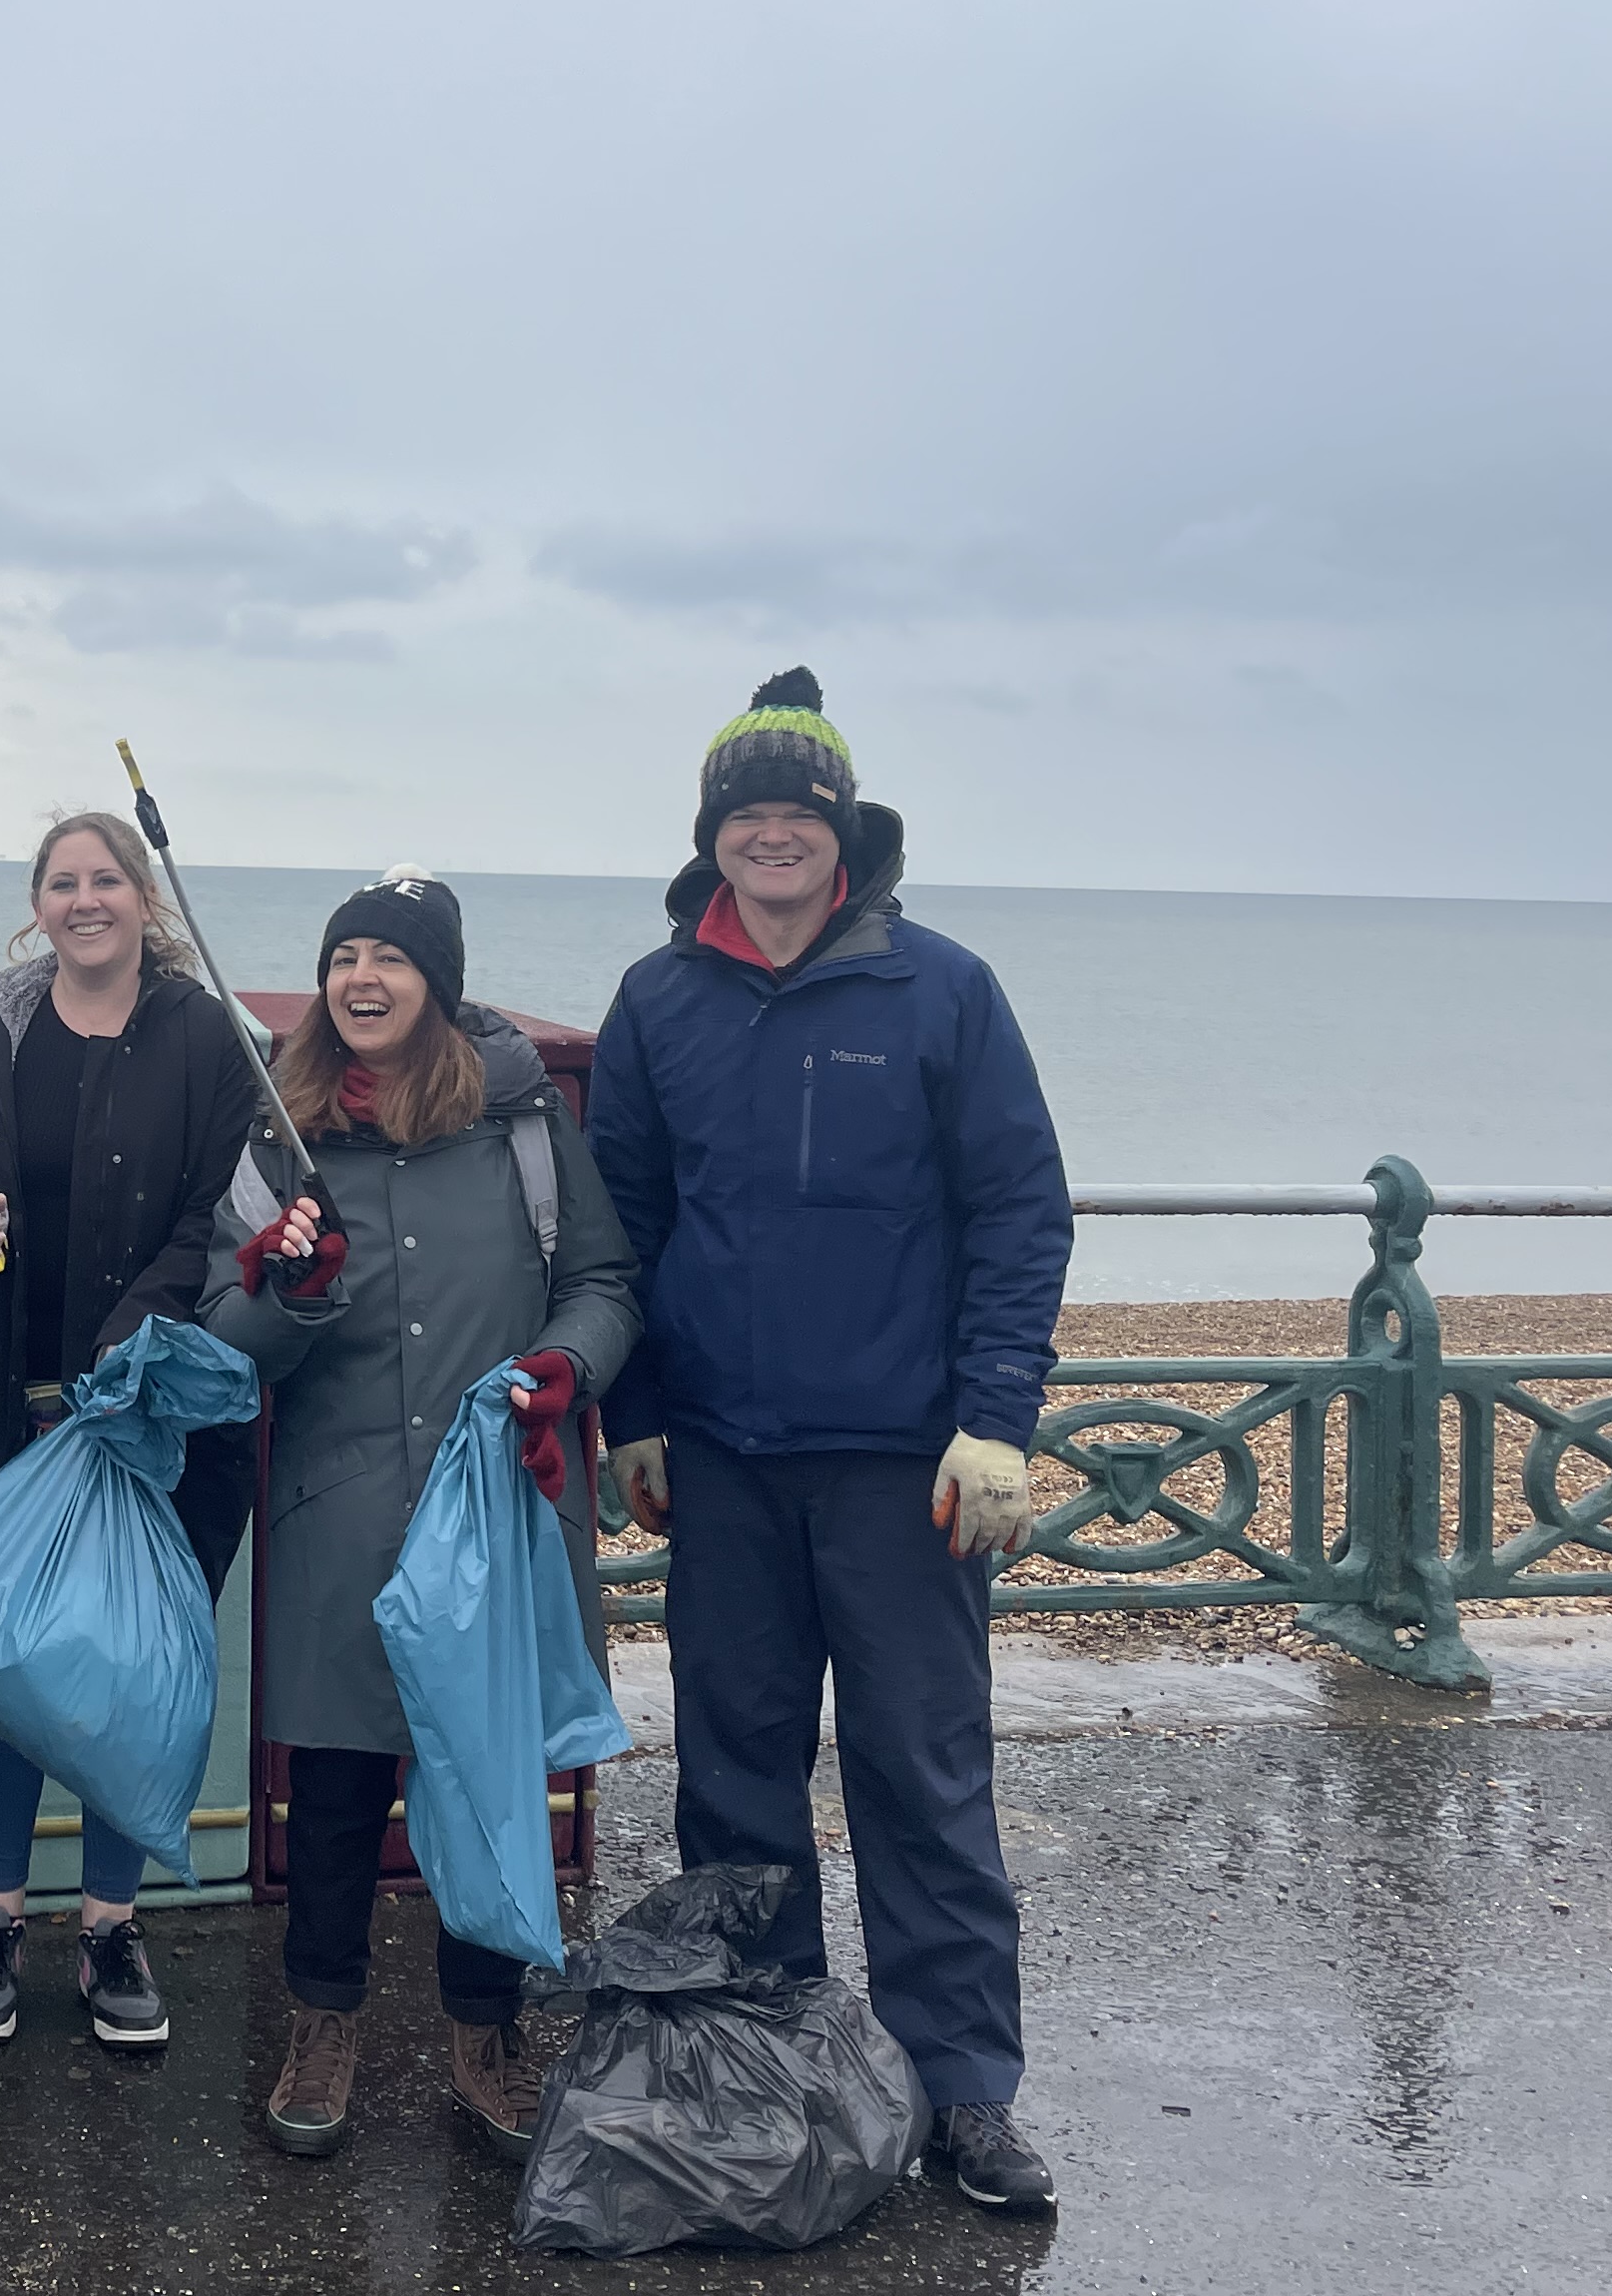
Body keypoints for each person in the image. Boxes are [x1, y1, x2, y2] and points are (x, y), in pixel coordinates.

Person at [582, 669, 1071, 2217]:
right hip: (722, 1458)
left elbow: (1017, 1211)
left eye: (800, 813)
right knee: (735, 1777)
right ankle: (777, 2059)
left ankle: (963, 2089)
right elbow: (624, 1226)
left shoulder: (942, 990)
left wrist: (998, 1420)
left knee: (921, 1775)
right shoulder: (659, 1002)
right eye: (747, 813)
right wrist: (639, 1415)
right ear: (712, 839)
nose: (773, 834)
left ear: (844, 835)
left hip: (905, 1467)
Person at [201, 869, 639, 2165]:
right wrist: (291, 1289)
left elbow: (602, 1282)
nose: (364, 979)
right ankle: (322, 2025)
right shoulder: (278, 1136)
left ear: (434, 986)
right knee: (333, 1792)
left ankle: (482, 2035)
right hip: (342, 1512)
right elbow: (234, 1345)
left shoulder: (520, 1129)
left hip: (501, 1502)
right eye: (347, 958)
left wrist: (565, 1369)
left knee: (487, 1777)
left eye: (392, 958)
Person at [0, 808, 261, 2050]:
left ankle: (111, 1925)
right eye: (64, 881)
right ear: (36, 902)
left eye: (109, 879)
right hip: (7, 1407)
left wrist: (134, 1330)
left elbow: (224, 1203)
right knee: (4, 1672)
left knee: (122, 1673)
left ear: (145, 899)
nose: (87, 899)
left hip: (151, 1416)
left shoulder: (205, 1034)